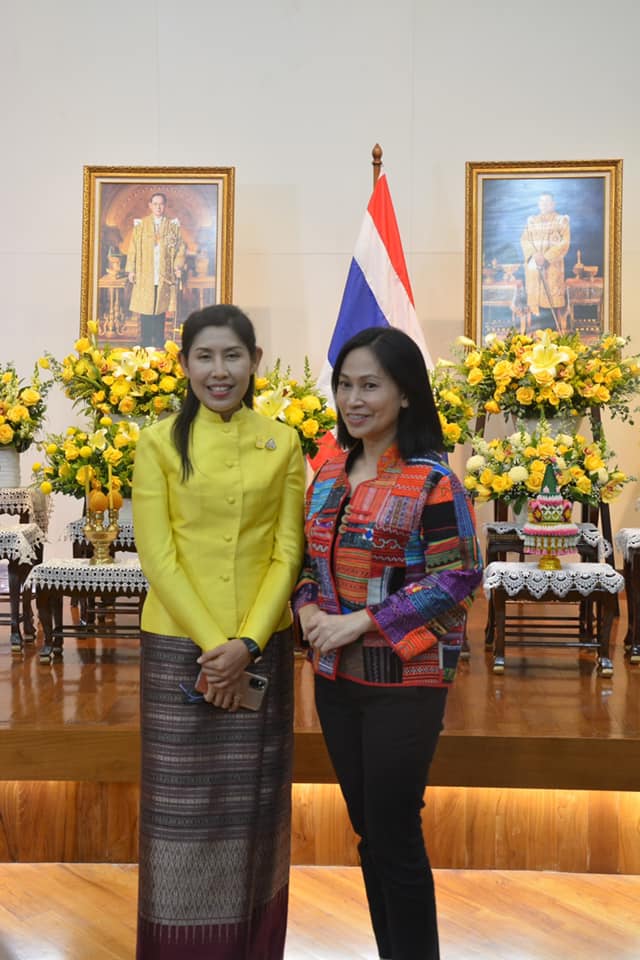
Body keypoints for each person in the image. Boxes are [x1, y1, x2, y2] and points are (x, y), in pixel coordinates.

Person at [293, 327, 482, 960]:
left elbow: (458, 577)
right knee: (369, 834)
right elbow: (304, 563)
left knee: (396, 834)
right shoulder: (328, 475)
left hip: (405, 684)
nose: (354, 399)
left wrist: (360, 623)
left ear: (405, 394)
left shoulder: (434, 481)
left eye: (370, 385)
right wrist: (307, 607)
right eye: (345, 385)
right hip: (335, 682)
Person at [132, 304, 305, 959]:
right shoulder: (157, 443)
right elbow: (159, 557)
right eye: (204, 356)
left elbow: (288, 551)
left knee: (254, 808)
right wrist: (216, 648)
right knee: (179, 814)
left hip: (261, 645)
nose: (219, 370)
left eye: (232, 355)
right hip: (180, 646)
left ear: (255, 361)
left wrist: (248, 643)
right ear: (184, 365)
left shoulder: (283, 441)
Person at [126, 191, 186, 348]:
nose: (158, 207)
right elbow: (133, 248)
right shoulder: (141, 225)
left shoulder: (172, 226)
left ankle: (159, 340)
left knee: (160, 307)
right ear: (150, 206)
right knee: (146, 307)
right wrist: (131, 270)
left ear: (165, 206)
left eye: (161, 204)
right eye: (155, 204)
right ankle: (146, 341)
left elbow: (180, 248)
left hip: (164, 272)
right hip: (145, 272)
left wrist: (177, 266)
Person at [520, 191, 570, 332]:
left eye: (547, 201)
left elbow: (564, 243)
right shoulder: (532, 221)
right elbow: (524, 240)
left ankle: (554, 337)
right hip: (534, 269)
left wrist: (546, 257)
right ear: (538, 204)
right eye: (542, 201)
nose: (544, 204)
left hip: (552, 268)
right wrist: (534, 254)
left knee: (551, 306)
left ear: (553, 204)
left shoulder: (561, 221)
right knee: (536, 309)